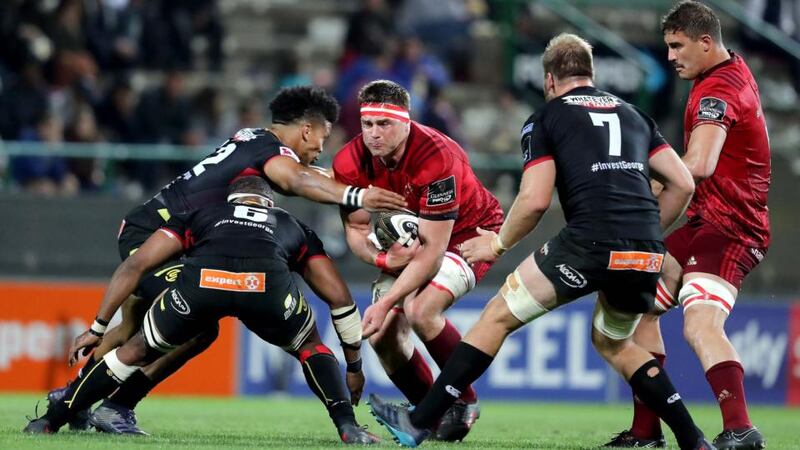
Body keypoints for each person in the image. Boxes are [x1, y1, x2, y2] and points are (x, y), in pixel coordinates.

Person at [367, 33, 715, 450]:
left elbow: (533, 201)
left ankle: (420, 421)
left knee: (496, 317)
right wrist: (643, 232)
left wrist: (496, 245)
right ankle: (694, 439)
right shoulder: (634, 114)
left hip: (587, 242)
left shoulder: (546, 118)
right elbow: (682, 184)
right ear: (591, 74)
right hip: (643, 250)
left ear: (549, 80)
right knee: (616, 343)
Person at [45, 85, 407, 434]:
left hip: (156, 230)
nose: (320, 149)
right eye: (323, 139)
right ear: (307, 129)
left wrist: (352, 181)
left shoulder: (251, 138)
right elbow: (297, 179)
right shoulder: (273, 153)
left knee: (135, 327)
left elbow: (306, 175)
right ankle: (111, 405)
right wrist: (359, 196)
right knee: (195, 323)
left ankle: (76, 397)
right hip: (154, 238)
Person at [24, 177, 380, 444]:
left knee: (133, 350)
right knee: (311, 346)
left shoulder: (202, 213)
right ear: (268, 202)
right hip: (265, 287)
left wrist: (98, 326)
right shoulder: (291, 224)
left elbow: (135, 267)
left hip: (202, 284)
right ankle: (347, 426)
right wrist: (354, 366)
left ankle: (51, 420)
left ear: (231, 199)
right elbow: (341, 299)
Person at [606, 3, 771, 450]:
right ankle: (646, 432)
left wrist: (631, 171)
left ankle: (741, 429)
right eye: (668, 46)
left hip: (733, 226)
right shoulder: (719, 75)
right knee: (640, 305)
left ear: (705, 42)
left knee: (699, 325)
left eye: (677, 46)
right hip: (704, 218)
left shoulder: (718, 91)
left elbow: (698, 164)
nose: (670, 56)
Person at [333, 79, 504, 441]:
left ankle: (463, 403)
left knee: (421, 309)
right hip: (414, 243)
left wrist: (387, 302)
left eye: (384, 124)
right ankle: (433, 415)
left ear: (406, 121)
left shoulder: (437, 157)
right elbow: (356, 229)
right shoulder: (348, 161)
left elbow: (432, 250)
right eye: (367, 124)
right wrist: (382, 259)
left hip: (468, 235)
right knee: (382, 336)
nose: (373, 134)